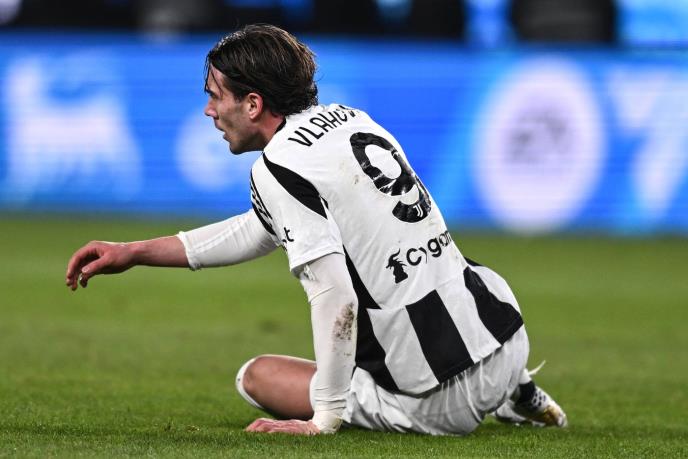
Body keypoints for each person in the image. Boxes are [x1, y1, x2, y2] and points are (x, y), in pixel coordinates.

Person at [65, 24, 567, 436]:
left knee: (255, 377)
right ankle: (515, 390)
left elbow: (335, 296)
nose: (209, 111)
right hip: (507, 338)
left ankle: (465, 398)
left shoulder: (278, 166)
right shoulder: (351, 120)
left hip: (440, 399)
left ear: (253, 104)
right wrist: (134, 251)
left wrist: (323, 418)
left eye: (216, 97)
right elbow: (260, 229)